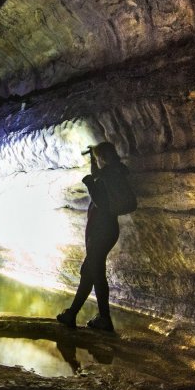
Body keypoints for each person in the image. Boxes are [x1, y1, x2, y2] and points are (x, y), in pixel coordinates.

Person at [56, 142, 129, 332]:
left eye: (98, 158)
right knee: (88, 272)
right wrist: (91, 158)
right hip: (106, 229)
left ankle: (104, 319)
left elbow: (102, 202)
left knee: (96, 274)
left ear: (103, 158)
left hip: (101, 230)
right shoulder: (116, 171)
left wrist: (89, 184)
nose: (97, 162)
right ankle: (71, 314)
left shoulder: (109, 176)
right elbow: (99, 176)